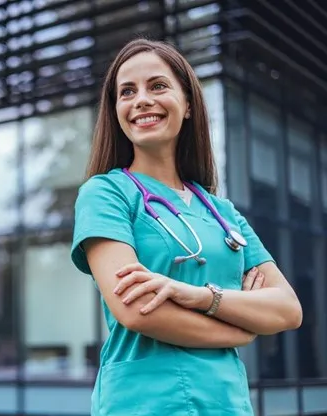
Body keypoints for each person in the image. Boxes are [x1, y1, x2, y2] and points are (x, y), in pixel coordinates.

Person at [70, 37, 303, 416]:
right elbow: (136, 309)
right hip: (143, 403)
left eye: (157, 86)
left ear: (189, 104)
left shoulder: (223, 212)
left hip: (226, 402)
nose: (141, 99)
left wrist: (199, 297)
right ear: (116, 111)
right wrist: (241, 327)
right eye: (126, 92)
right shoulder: (106, 193)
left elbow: (287, 310)